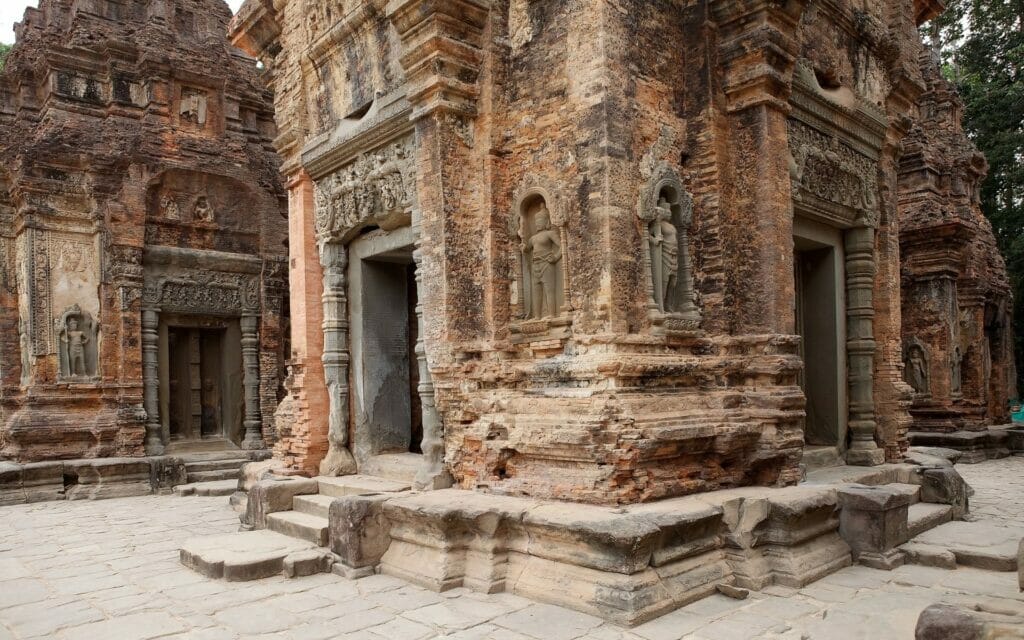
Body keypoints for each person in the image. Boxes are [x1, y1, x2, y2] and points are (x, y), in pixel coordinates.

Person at [524, 206, 562, 319]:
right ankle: (537, 316)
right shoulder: (533, 238)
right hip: (535, 264)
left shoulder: (550, 234)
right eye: (536, 221)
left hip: (547, 263)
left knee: (549, 290)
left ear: (546, 221)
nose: (537, 223)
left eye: (540, 221)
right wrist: (523, 247)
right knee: (536, 291)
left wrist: (555, 257)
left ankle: (552, 314)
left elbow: (562, 246)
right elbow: (527, 249)